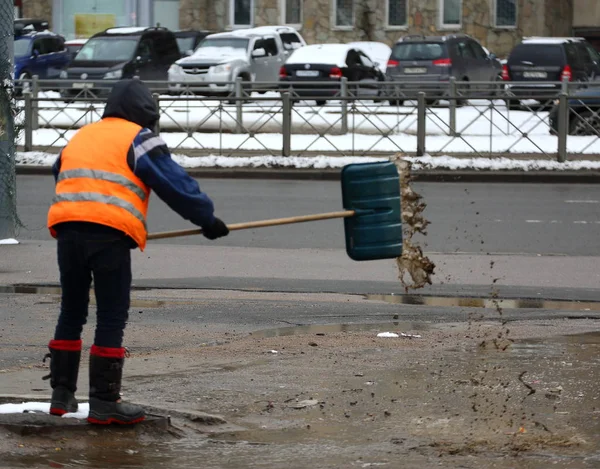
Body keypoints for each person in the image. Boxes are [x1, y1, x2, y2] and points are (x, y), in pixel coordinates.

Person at [44, 78, 229, 425]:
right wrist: (207, 219)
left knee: (72, 310)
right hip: (109, 235)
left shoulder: (84, 134)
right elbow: (175, 184)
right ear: (146, 113)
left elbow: (61, 171)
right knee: (111, 315)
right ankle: (104, 403)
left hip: (68, 230)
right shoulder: (139, 138)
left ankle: (61, 395)